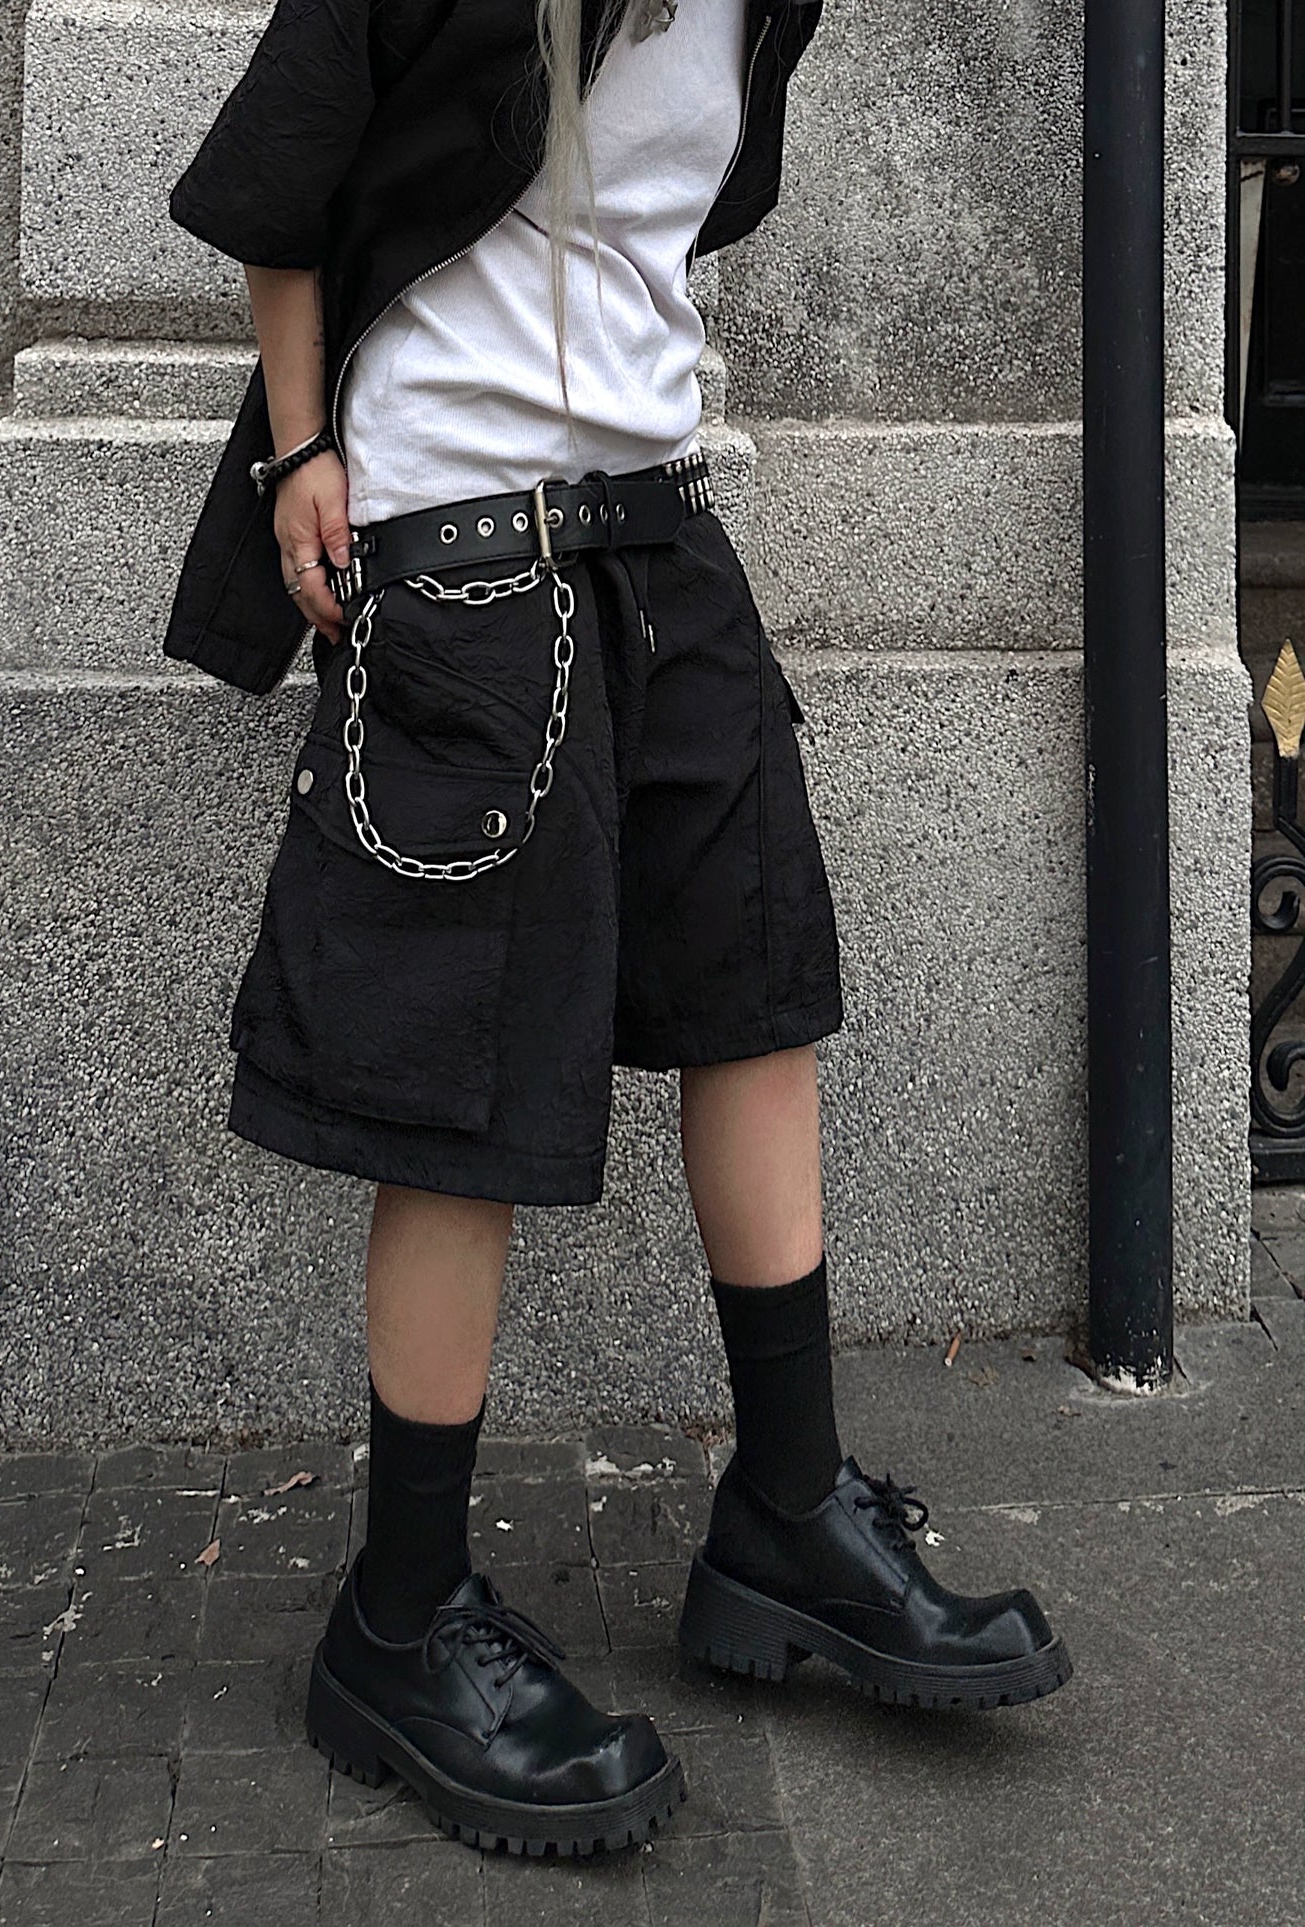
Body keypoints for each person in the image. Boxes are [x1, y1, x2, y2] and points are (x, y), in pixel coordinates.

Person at [164, 0, 1073, 1860]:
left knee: (755, 1000)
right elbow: (277, 183)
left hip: (661, 529)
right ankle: (400, 1619)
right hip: (464, 553)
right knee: (465, 1092)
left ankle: (787, 1514)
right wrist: (297, 447)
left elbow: (668, 226)